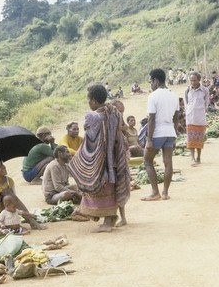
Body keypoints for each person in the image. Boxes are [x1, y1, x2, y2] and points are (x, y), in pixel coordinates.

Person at [68, 84, 131, 231]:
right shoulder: (113, 111)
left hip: (101, 160)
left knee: (100, 187)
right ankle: (110, 218)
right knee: (112, 186)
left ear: (94, 101)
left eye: (89, 100)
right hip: (115, 157)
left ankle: (108, 222)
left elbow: (90, 140)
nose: (88, 103)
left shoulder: (93, 116)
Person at [0, 155, 44, 234]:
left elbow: (14, 202)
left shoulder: (9, 181)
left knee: (10, 196)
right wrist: (1, 196)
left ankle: (31, 221)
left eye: (2, 164)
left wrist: (8, 194)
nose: (3, 167)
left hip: (1, 214)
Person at [141, 68, 179, 201]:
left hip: (158, 132)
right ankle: (165, 193)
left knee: (147, 161)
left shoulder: (153, 96)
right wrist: (175, 135)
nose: (150, 85)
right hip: (170, 132)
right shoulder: (173, 95)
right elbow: (176, 117)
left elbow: (151, 119)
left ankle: (155, 191)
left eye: (150, 81)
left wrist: (149, 140)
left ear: (156, 81)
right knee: (168, 163)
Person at [184, 71, 210, 166]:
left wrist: (202, 110)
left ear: (199, 80)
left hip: (200, 119)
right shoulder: (187, 90)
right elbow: (186, 103)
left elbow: (206, 103)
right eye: (191, 80)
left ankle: (198, 157)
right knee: (190, 140)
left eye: (195, 80)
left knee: (199, 139)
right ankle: (192, 158)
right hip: (190, 118)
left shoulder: (205, 90)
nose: (193, 82)